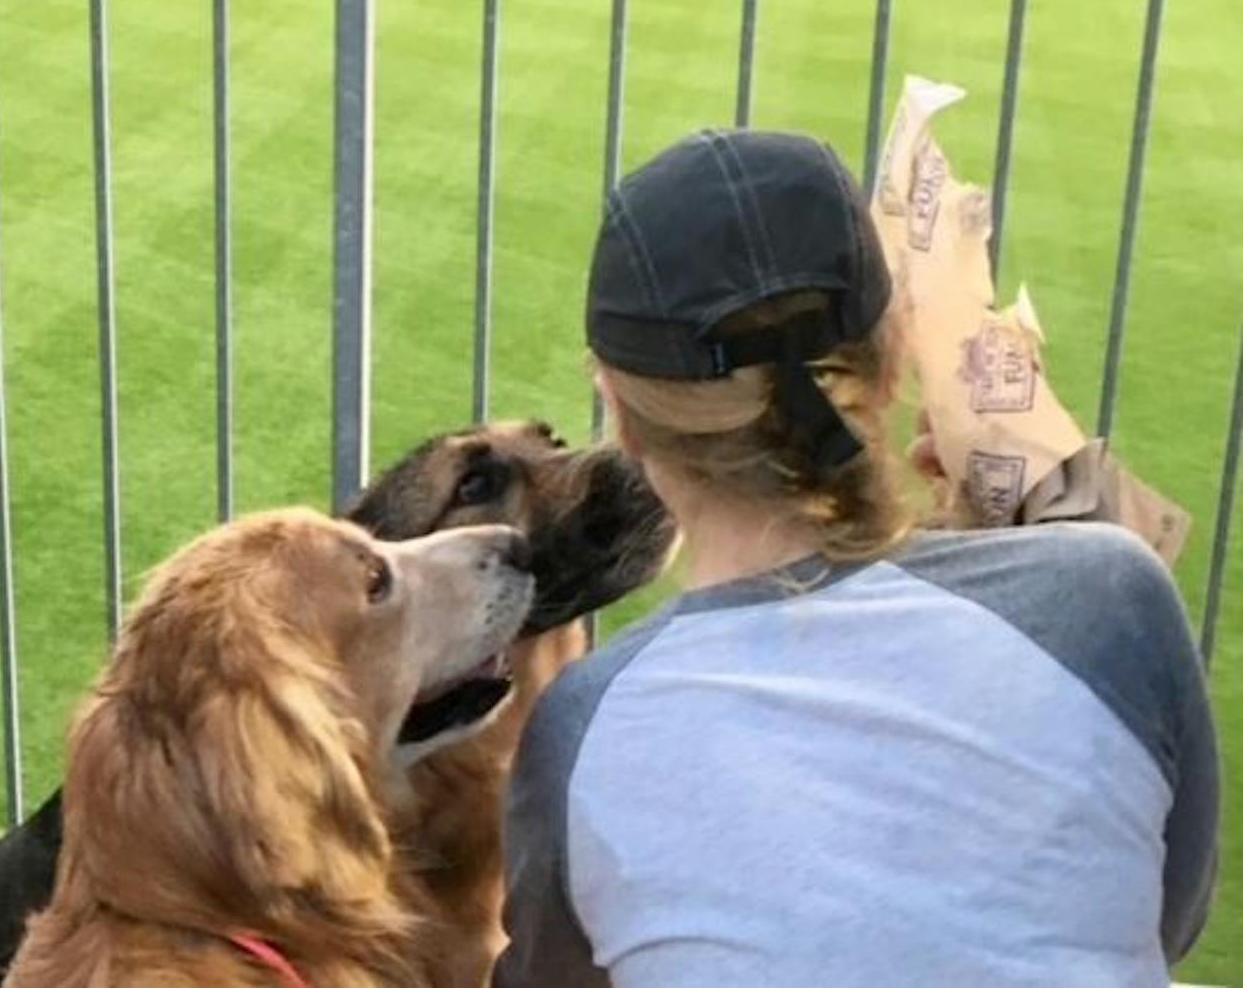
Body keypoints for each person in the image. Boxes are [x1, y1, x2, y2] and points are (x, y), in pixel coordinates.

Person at [494, 129, 1218, 987]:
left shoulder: (583, 729)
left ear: (619, 409)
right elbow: (1163, 920)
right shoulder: (1110, 594)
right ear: (891, 356)